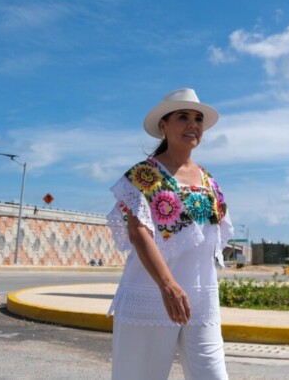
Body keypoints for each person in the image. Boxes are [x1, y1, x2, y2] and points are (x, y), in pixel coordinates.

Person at [106, 88, 233, 380]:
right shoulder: (144, 175)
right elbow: (139, 233)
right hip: (152, 294)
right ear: (163, 126)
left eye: (198, 119)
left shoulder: (209, 181)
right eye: (183, 117)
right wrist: (168, 286)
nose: (193, 124)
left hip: (201, 299)